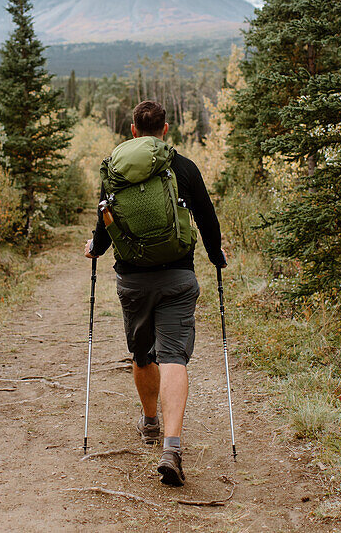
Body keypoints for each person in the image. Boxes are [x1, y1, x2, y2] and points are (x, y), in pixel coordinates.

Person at [84, 100, 225, 487]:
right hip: (178, 275)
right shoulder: (183, 167)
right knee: (175, 356)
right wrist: (216, 256)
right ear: (166, 130)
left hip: (132, 279)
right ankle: (172, 446)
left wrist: (96, 248)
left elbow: (105, 218)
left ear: (132, 130)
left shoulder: (114, 169)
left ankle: (149, 423)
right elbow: (207, 218)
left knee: (143, 353)